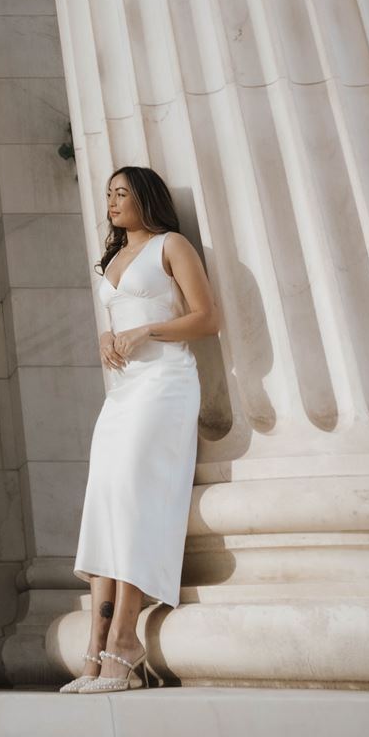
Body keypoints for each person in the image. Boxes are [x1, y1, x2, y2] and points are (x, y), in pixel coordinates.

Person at [63, 164, 220, 693]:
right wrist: (108, 339)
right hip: (125, 394)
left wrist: (147, 329)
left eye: (121, 193)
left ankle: (125, 642)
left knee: (132, 498)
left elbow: (206, 318)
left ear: (145, 198)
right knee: (104, 500)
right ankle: (95, 646)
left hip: (166, 384)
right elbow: (119, 322)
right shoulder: (112, 259)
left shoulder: (171, 245)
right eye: (108, 194)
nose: (111, 202)